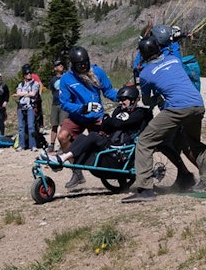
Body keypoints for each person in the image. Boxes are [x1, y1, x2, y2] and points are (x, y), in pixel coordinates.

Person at [122, 36, 206, 203]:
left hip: (178, 108)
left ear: (142, 55)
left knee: (144, 141)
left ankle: (145, 190)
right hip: (198, 105)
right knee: (195, 144)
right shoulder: (173, 60)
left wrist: (156, 97)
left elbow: (147, 101)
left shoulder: (146, 73)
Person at [46, 84, 149, 168]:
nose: (121, 102)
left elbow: (119, 123)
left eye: (124, 100)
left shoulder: (139, 113)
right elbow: (108, 126)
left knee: (93, 136)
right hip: (111, 142)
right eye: (120, 100)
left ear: (132, 100)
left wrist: (108, 120)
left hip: (122, 146)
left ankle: (63, 158)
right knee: (82, 137)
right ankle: (69, 163)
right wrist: (108, 121)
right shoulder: (118, 110)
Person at [58, 45, 118, 189]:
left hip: (95, 116)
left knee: (108, 140)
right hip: (77, 116)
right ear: (73, 65)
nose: (84, 66)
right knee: (63, 136)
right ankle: (77, 172)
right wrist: (82, 108)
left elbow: (108, 91)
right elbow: (64, 103)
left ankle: (113, 167)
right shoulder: (66, 79)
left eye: (86, 62)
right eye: (80, 65)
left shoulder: (97, 72)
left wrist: (122, 96)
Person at [14, 65, 40, 151]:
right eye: (27, 73)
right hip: (21, 107)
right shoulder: (20, 84)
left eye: (30, 73)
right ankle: (21, 145)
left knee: (31, 126)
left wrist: (22, 93)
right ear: (24, 75)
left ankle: (33, 145)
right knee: (21, 127)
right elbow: (18, 93)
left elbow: (33, 94)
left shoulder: (35, 84)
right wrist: (27, 93)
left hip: (30, 107)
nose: (29, 75)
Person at [48, 58, 67, 152]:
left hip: (64, 104)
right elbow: (52, 91)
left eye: (62, 65)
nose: (61, 66)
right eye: (59, 65)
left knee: (63, 125)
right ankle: (51, 144)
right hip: (55, 104)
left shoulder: (67, 78)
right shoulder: (53, 80)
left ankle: (62, 146)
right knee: (54, 125)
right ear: (55, 68)